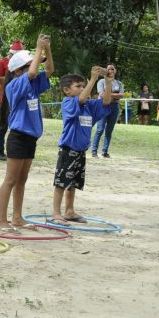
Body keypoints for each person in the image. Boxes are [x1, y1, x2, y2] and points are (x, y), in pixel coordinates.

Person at [0, 35, 54, 232]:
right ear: (18, 71)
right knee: (10, 180)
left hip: (31, 138)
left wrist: (47, 49)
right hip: (18, 138)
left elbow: (49, 70)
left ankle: (17, 217)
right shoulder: (14, 85)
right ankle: (1, 220)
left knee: (22, 180)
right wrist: (37, 49)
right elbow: (31, 73)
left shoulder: (34, 84)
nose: (34, 69)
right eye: (29, 65)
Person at [51, 67, 112, 225]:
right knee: (61, 182)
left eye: (83, 86)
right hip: (68, 150)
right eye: (78, 86)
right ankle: (56, 213)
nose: (82, 89)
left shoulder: (89, 106)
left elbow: (105, 101)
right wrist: (93, 79)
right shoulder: (69, 102)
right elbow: (81, 99)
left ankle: (69, 211)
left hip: (80, 152)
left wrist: (108, 81)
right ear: (66, 90)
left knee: (73, 183)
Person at [0, 40, 24, 160]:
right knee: (3, 125)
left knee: (17, 126)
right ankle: (0, 151)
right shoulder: (2, 62)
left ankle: (15, 150)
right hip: (5, 98)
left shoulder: (25, 63)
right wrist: (12, 77)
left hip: (20, 98)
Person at [91, 64, 124, 158]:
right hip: (103, 105)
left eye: (113, 69)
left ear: (115, 71)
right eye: (109, 69)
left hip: (115, 106)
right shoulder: (101, 81)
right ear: (106, 70)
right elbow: (101, 94)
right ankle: (94, 151)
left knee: (109, 130)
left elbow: (121, 95)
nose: (111, 71)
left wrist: (108, 94)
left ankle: (105, 151)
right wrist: (114, 95)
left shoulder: (119, 83)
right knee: (100, 129)